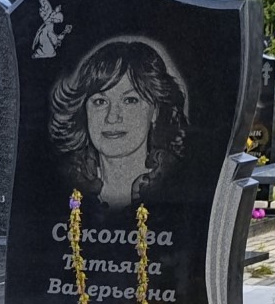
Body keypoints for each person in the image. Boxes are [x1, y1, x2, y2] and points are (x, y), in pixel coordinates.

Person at [49, 38, 190, 211]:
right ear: (84, 112)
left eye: (130, 100)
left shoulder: (181, 186)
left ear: (155, 111)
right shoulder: (58, 187)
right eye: (100, 101)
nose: (112, 117)